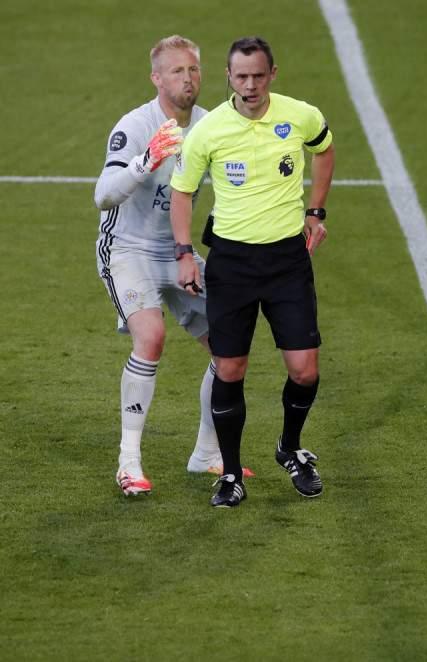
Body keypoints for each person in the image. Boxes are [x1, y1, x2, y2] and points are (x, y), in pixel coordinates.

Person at [170, 36, 335, 508]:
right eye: (241, 76)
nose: (250, 85)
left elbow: (324, 149)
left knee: (305, 370)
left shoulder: (299, 114)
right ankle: (229, 474)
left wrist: (315, 211)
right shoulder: (208, 131)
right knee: (230, 367)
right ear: (229, 77)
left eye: (258, 75)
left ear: (272, 75)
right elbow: (182, 192)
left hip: (287, 261)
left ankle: (289, 448)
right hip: (232, 264)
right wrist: (185, 253)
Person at [96, 35, 238, 496]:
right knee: (151, 336)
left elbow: (233, 188)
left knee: (229, 348)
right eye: (177, 71)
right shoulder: (137, 125)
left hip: (178, 251)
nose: (188, 78)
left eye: (194, 69)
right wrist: (145, 161)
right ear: (157, 79)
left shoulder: (212, 124)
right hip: (127, 249)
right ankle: (129, 462)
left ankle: (207, 454)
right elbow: (103, 195)